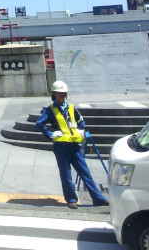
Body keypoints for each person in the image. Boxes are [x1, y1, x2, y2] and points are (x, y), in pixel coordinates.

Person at [36, 80, 109, 209]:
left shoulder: (71, 108)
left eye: (64, 94)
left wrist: (81, 130)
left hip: (75, 146)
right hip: (61, 147)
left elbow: (81, 121)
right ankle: (71, 199)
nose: (62, 96)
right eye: (59, 94)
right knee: (66, 175)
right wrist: (50, 134)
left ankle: (98, 198)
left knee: (85, 173)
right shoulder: (51, 110)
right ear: (54, 94)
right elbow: (39, 124)